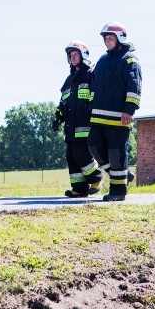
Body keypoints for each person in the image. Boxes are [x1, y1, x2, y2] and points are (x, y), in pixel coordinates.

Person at [88, 21, 142, 202]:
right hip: (98, 116)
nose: (108, 41)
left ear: (120, 38)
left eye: (111, 38)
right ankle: (124, 174)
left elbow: (134, 87)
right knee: (93, 145)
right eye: (106, 38)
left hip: (119, 117)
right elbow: (93, 85)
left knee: (116, 154)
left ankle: (118, 191)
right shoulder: (102, 60)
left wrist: (129, 110)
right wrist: (91, 105)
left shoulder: (129, 60)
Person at [52, 40, 104, 198]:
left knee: (81, 152)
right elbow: (63, 102)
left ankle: (96, 178)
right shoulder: (69, 80)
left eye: (75, 54)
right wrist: (58, 117)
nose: (72, 57)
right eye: (70, 55)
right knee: (71, 155)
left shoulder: (91, 75)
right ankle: (79, 188)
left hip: (85, 124)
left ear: (83, 55)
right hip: (70, 126)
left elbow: (96, 98)